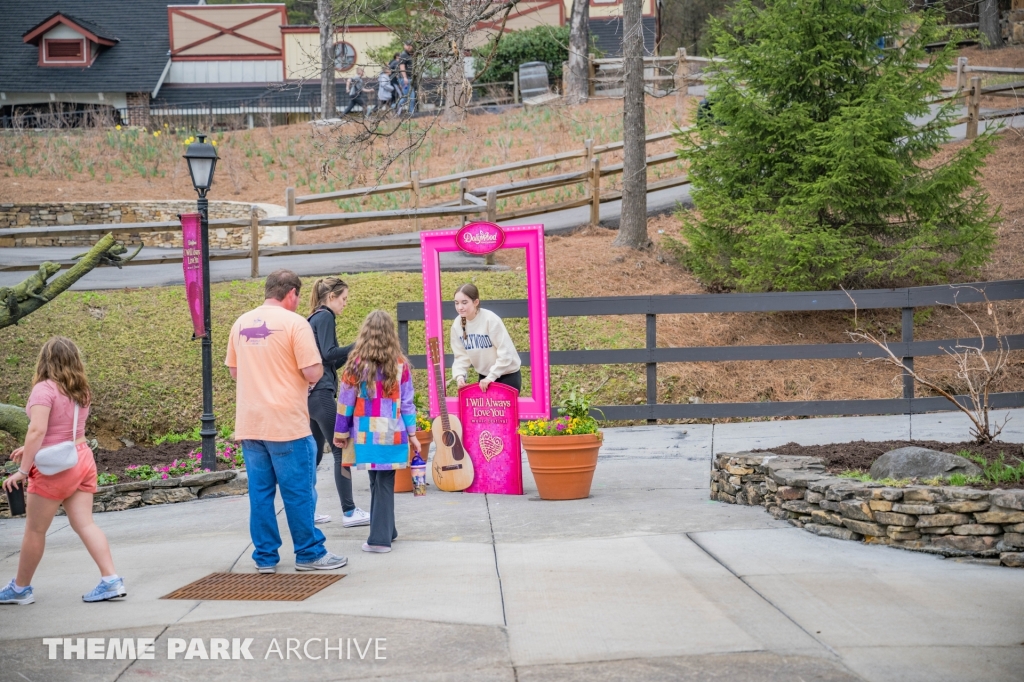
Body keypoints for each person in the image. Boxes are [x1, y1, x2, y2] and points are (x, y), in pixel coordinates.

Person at [225, 269, 347, 573]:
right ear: (291, 293)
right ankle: (309, 553)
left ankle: (265, 557)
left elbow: (235, 372)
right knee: (299, 492)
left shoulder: (241, 323)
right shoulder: (296, 324)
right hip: (287, 423)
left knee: (261, 494)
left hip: (251, 423)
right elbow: (313, 373)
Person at [1, 337, 125, 605]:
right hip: (80, 458)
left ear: (44, 360)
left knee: (35, 530)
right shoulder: (81, 389)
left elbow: (38, 430)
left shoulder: (43, 390)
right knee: (85, 523)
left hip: (55, 468)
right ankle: (111, 580)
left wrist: (23, 470)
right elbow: (65, 429)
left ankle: (20, 589)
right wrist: (29, 448)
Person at [333, 311, 421, 554]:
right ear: (391, 335)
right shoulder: (400, 365)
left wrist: (340, 433)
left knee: (377, 481)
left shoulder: (355, 365)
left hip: (365, 435)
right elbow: (407, 403)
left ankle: (379, 540)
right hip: (393, 433)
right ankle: (387, 529)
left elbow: (345, 403)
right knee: (382, 482)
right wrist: (413, 434)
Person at [306, 277, 371, 528]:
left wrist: (352, 353)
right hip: (321, 394)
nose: (345, 304)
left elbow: (329, 360)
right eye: (343, 299)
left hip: (312, 395)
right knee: (340, 449)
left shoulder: (314, 317)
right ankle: (349, 511)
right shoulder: (324, 317)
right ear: (331, 297)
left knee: (313, 455)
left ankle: (307, 512)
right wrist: (358, 344)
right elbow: (329, 354)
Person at [450, 283, 522, 393]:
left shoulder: (490, 319)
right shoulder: (457, 324)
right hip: (484, 378)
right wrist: (460, 376)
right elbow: (461, 356)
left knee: (504, 411)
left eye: (464, 302)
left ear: (476, 302)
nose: (460, 307)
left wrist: (491, 377)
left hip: (507, 376)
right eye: (456, 303)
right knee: (482, 411)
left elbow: (506, 352)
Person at [396, 41, 416, 114]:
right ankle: (394, 107)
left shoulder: (409, 55)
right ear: (404, 46)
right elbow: (402, 67)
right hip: (405, 79)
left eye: (410, 45)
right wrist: (405, 78)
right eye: (407, 45)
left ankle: (411, 112)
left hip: (409, 79)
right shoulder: (403, 55)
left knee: (409, 97)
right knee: (408, 97)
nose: (409, 46)